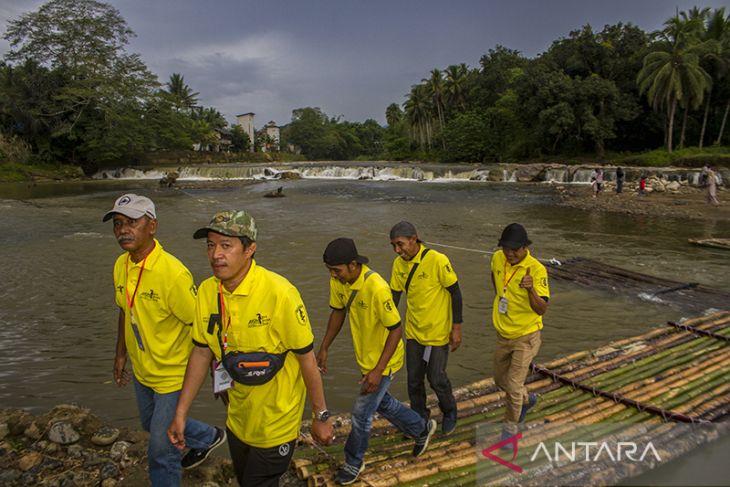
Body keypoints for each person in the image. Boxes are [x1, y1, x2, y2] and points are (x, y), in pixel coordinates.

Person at [167, 210, 333, 486]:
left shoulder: (280, 294)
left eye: (226, 245)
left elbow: (306, 359)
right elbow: (201, 352)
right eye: (210, 245)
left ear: (250, 249)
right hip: (237, 420)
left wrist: (321, 416)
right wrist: (181, 414)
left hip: (276, 425)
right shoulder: (208, 292)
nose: (216, 254)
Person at [104, 194, 225, 487]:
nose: (123, 230)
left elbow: (202, 326)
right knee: (149, 423)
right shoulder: (121, 265)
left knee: (161, 449)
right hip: (144, 369)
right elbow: (125, 309)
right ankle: (209, 437)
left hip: (174, 373)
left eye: (132, 222)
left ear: (152, 225)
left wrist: (218, 373)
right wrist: (120, 354)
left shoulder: (172, 274)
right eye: (118, 224)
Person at [317, 238, 437, 485]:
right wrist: (324, 347)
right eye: (330, 270)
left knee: (361, 412)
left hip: (385, 359)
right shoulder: (338, 281)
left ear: (352, 265)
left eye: (337, 270)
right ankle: (421, 428)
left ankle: (353, 462)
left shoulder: (377, 288)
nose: (333, 275)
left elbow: (396, 330)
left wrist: (377, 371)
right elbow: (338, 311)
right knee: (383, 404)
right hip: (366, 357)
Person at [388, 221, 462, 434]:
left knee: (437, 379)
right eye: (393, 245)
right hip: (414, 332)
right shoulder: (398, 264)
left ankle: (450, 411)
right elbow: (394, 296)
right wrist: (385, 326)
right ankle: (419, 419)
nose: (397, 250)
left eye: (400, 244)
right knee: (413, 380)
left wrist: (456, 328)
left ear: (414, 239)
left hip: (438, 332)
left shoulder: (437, 260)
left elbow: (455, 293)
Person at [489, 223, 549, 445]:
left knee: (513, 387)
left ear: (525, 247)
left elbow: (542, 308)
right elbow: (494, 279)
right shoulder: (497, 258)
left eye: (515, 249)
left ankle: (509, 434)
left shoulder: (537, 270)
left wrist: (531, 289)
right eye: (506, 248)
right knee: (500, 379)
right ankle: (527, 399)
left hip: (526, 335)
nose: (510, 253)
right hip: (503, 333)